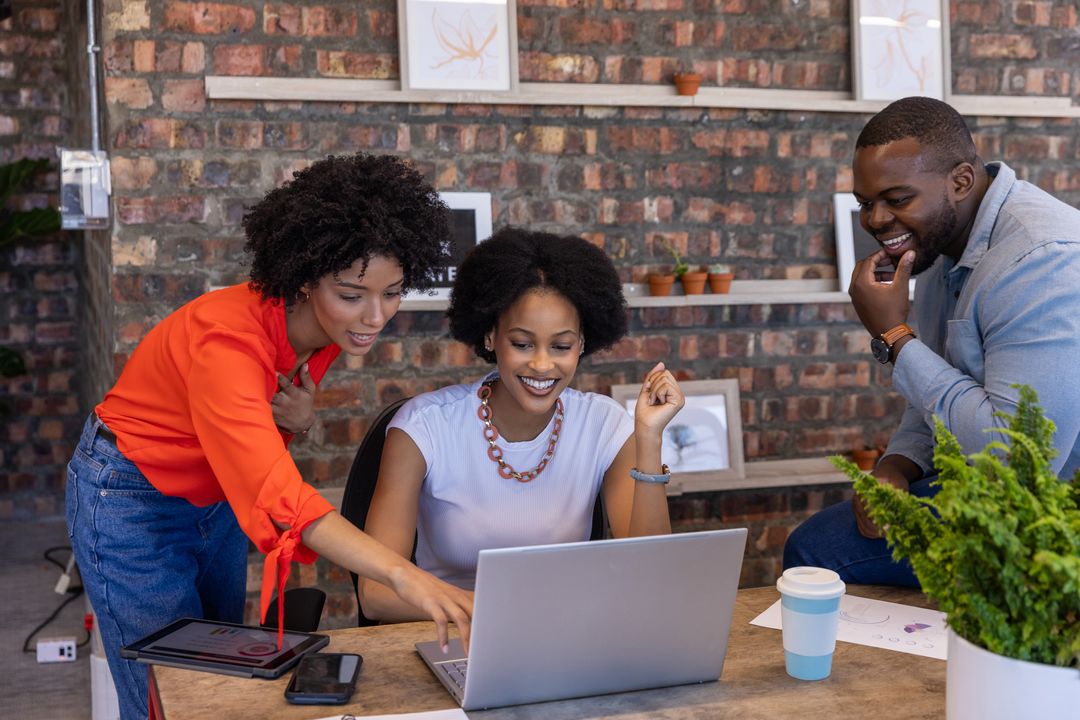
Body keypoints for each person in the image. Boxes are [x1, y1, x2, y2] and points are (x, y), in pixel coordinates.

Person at [66, 154, 473, 720]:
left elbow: (252, 441)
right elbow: (281, 495)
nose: (375, 316)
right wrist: (406, 575)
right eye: (352, 294)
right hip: (132, 496)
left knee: (218, 684)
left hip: (216, 496)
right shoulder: (227, 343)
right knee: (169, 696)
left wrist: (296, 421)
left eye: (393, 292)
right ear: (305, 278)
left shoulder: (326, 327)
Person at [784, 96, 1080, 585]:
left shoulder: (1042, 260)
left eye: (897, 200)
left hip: (1053, 507)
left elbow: (1015, 460)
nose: (875, 220)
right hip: (993, 487)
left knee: (819, 550)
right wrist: (897, 466)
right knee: (839, 532)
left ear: (960, 181)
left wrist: (895, 337)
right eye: (866, 203)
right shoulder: (943, 248)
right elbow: (939, 396)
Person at [358, 227, 685, 620]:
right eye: (522, 344)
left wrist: (649, 438)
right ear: (490, 336)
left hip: (568, 636)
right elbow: (375, 594)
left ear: (582, 344)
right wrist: (502, 613)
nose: (542, 365)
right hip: (454, 635)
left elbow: (650, 575)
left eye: (561, 346)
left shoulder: (603, 424)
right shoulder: (424, 427)